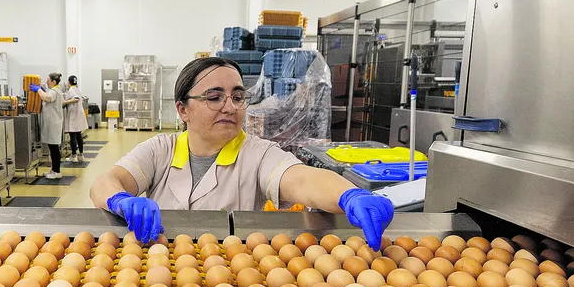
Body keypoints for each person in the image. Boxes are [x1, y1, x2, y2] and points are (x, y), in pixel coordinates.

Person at [90, 56, 395, 246]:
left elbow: (302, 179)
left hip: (231, 275)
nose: (230, 107)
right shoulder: (161, 149)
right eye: (214, 97)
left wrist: (349, 195)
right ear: (183, 110)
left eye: (237, 97)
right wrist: (120, 199)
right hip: (160, 270)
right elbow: (106, 182)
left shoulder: (257, 154)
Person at [30, 73, 64, 180]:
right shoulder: (54, 91)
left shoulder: (54, 91)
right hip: (52, 123)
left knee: (54, 148)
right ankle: (54, 170)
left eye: (48, 80)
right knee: (52, 148)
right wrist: (43, 90)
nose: (47, 82)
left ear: (54, 82)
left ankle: (57, 172)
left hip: (53, 123)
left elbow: (46, 98)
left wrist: (39, 90)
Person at [63, 75, 87, 163]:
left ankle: (73, 156)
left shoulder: (71, 90)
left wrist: (65, 102)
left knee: (72, 135)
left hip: (73, 115)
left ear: (69, 82)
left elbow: (76, 99)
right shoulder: (77, 89)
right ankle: (81, 155)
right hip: (78, 114)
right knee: (78, 134)